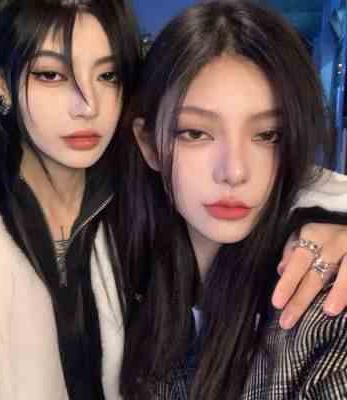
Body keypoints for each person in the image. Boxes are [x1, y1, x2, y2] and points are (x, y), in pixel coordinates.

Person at [0, 1, 347, 400]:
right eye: (51, 74)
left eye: (268, 135)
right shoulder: (134, 245)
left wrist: (336, 222)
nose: (87, 105)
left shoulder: (316, 314)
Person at [117, 1, 347, 399]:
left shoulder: (320, 311)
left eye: (267, 135)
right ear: (149, 144)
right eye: (195, 133)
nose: (234, 171)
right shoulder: (116, 278)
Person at [0, 1, 140, 399]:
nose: (88, 105)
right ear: (0, 82)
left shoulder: (143, 213)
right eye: (51, 75)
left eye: (107, 75)